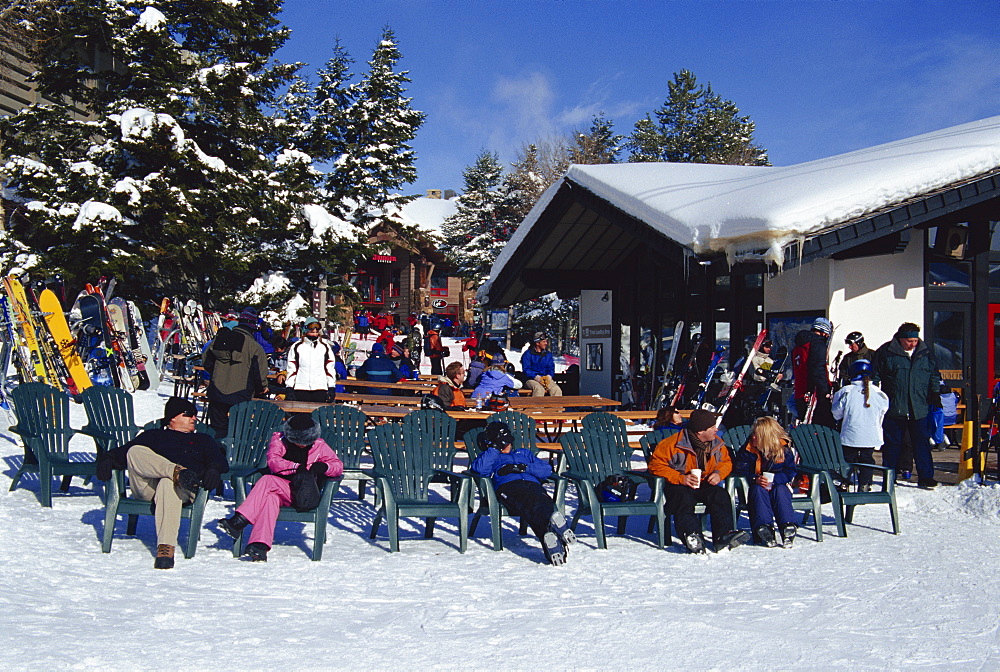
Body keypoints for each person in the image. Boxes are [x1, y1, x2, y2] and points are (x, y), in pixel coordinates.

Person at [97, 398, 228, 569]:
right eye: (189, 414)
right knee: (136, 450)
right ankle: (176, 471)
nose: (194, 418)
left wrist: (213, 469)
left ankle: (166, 548)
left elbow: (220, 461)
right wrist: (107, 459)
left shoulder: (203, 440)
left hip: (183, 490)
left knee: (168, 483)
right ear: (172, 418)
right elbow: (123, 453)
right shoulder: (154, 435)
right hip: (148, 488)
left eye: (195, 415)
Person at [218, 414, 343, 562]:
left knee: (267, 480)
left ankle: (239, 520)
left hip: (305, 494)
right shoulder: (279, 440)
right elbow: (274, 461)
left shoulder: (320, 446)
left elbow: (338, 466)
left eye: (306, 441)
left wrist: (324, 466)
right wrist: (296, 467)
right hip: (281, 490)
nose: (302, 445)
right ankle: (259, 546)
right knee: (270, 498)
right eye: (298, 441)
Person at [469, 421, 575, 565]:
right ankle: (554, 526)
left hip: (532, 485)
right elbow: (479, 469)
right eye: (500, 443)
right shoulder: (491, 457)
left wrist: (523, 468)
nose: (505, 446)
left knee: (539, 499)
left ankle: (551, 544)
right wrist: (494, 449)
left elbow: (546, 470)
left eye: (506, 442)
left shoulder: (524, 453)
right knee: (531, 501)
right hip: (508, 488)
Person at [647, 409, 749, 553]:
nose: (716, 429)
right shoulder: (672, 444)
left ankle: (723, 536)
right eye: (712, 427)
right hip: (678, 484)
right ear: (700, 431)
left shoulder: (717, 443)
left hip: (704, 482)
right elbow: (655, 465)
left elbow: (726, 462)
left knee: (719, 495)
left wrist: (719, 474)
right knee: (683, 498)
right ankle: (691, 535)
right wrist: (681, 478)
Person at [874, 322, 942, 488]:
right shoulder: (886, 352)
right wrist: (874, 397)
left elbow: (933, 375)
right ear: (901, 339)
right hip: (894, 407)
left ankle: (926, 476)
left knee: (922, 444)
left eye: (915, 340)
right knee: (892, 444)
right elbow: (874, 376)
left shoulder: (925, 353)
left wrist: (935, 394)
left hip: (919, 408)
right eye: (910, 341)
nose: (913, 343)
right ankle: (889, 476)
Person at [203, 306, 270, 437]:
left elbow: (206, 362)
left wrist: (217, 373)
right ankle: (233, 455)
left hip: (216, 392)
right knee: (238, 431)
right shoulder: (254, 347)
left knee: (217, 429)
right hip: (241, 394)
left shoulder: (219, 340)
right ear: (253, 327)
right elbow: (260, 375)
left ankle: (217, 453)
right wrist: (262, 388)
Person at [734, 416, 799, 547]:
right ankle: (764, 528)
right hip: (757, 485)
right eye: (753, 434)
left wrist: (775, 480)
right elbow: (740, 469)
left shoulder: (783, 449)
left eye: (756, 435)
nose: (753, 437)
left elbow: (790, 471)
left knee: (781, 491)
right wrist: (754, 478)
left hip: (777, 484)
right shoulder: (748, 449)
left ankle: (787, 526)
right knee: (758, 490)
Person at [831, 359, 889, 491]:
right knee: (867, 459)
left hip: (850, 435)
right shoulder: (879, 393)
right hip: (871, 435)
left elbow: (836, 412)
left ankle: (844, 482)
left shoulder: (846, 391)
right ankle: (865, 483)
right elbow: (883, 411)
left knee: (847, 459)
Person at [791, 317, 835, 427]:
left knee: (804, 426)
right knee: (821, 427)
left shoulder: (799, 346)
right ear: (824, 332)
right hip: (813, 393)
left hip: (800, 392)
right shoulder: (817, 344)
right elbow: (818, 368)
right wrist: (824, 391)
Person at [285, 317, 338, 402]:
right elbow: (292, 368)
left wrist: (331, 386)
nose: (314, 332)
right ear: (306, 329)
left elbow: (329, 368)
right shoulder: (297, 346)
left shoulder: (324, 346)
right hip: (301, 387)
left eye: (317, 330)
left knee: (317, 414)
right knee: (301, 414)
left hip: (320, 387)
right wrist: (289, 387)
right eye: (312, 329)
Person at [521, 332, 562, 397]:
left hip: (545, 379)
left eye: (546, 341)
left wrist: (549, 376)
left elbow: (551, 368)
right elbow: (526, 369)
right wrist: (536, 377)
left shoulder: (548, 354)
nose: (546, 343)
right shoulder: (528, 354)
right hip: (531, 379)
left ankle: (557, 406)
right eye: (544, 342)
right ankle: (536, 407)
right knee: (539, 389)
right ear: (537, 343)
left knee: (556, 389)